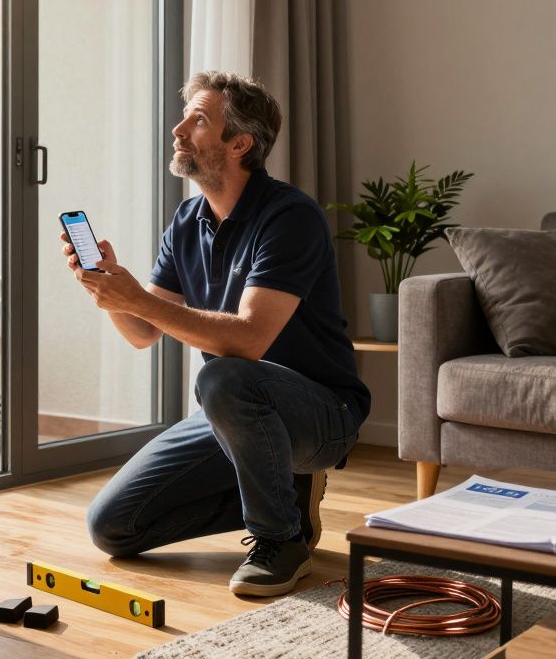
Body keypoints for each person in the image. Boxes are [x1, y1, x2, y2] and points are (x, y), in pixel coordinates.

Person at [61, 71, 369, 597]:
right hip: (236, 414)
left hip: (322, 413)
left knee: (223, 377)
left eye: (198, 120)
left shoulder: (290, 217)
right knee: (112, 527)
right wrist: (109, 290)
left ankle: (281, 539)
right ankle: (285, 497)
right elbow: (142, 332)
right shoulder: (186, 220)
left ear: (240, 143)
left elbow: (249, 340)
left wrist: (136, 297)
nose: (178, 129)